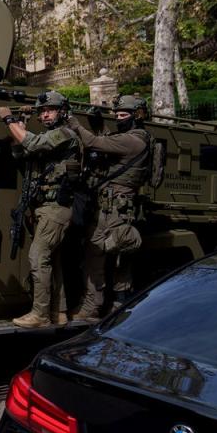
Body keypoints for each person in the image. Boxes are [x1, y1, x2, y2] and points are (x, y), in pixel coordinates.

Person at [0, 91, 81, 329]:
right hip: (44, 207)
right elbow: (21, 153)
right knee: (53, 261)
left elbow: (31, 143)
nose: (44, 114)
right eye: (42, 111)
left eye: (50, 110)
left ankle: (40, 314)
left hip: (57, 207)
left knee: (38, 256)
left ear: (62, 111)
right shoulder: (49, 136)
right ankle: (59, 312)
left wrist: (7, 119)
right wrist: (19, 126)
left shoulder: (66, 134)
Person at [66, 95, 151, 320]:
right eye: (117, 115)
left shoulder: (133, 141)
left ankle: (94, 306)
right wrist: (99, 124)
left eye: (123, 115)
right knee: (116, 258)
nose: (119, 119)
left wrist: (75, 124)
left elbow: (95, 143)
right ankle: (115, 305)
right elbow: (109, 140)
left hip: (112, 211)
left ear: (137, 116)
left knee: (97, 255)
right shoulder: (137, 138)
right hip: (116, 209)